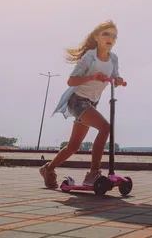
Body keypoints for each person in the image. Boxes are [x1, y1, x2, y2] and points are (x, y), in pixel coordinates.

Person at [39, 20, 125, 189]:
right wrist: (93, 77)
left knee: (73, 146)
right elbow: (71, 81)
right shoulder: (89, 58)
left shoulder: (113, 58)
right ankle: (93, 173)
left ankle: (48, 168)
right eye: (106, 34)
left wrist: (118, 80)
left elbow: (115, 76)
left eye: (114, 36)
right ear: (96, 37)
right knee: (105, 127)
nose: (110, 38)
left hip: (91, 103)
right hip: (77, 101)